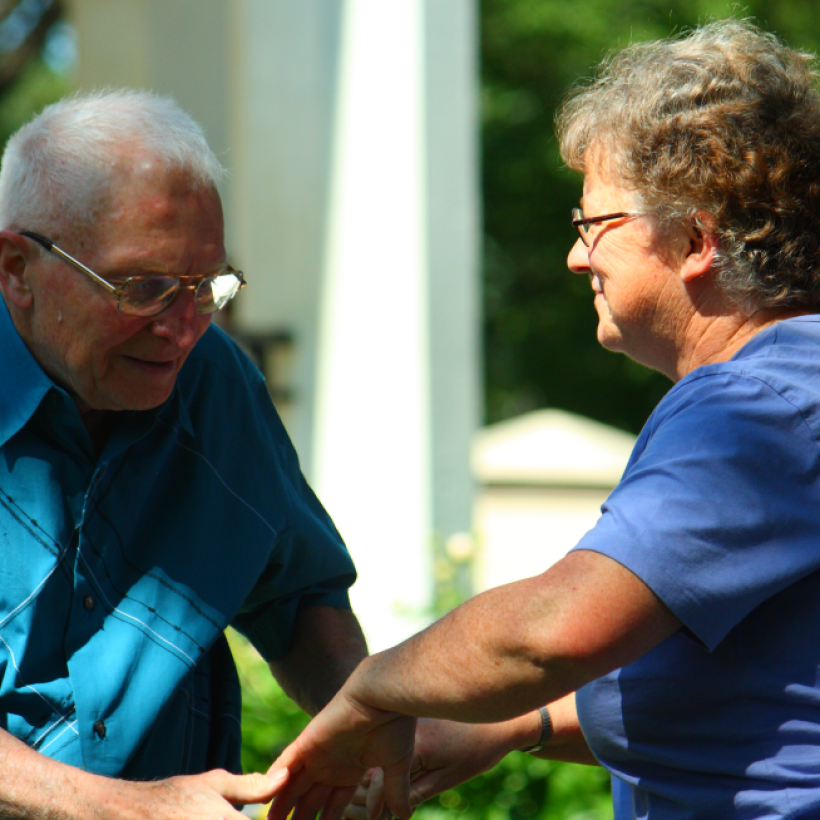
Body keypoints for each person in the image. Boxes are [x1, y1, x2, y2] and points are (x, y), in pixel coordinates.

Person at [266, 20, 820, 820]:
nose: (576, 257)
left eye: (595, 225)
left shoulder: (754, 408)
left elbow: (553, 629)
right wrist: (512, 728)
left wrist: (368, 689)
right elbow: (750, 700)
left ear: (696, 238)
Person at [0, 90, 369, 820]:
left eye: (206, 288)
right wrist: (126, 808)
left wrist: (359, 742)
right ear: (16, 267)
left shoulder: (216, 382)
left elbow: (301, 599)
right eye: (143, 288)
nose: (181, 330)